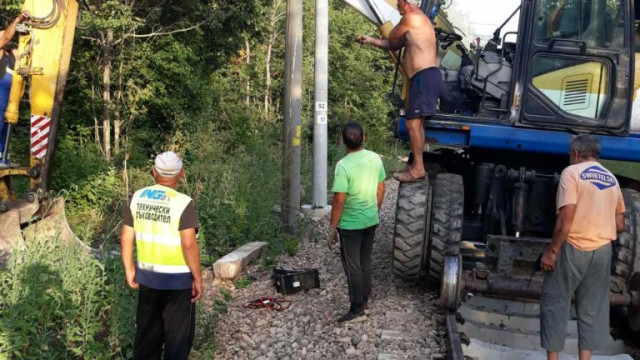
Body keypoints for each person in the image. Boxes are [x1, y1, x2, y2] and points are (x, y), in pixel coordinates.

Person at [539, 135, 625, 360]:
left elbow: (566, 218)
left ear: (576, 154)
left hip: (573, 247)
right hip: (602, 251)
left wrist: (552, 251)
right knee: (591, 309)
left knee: (556, 302)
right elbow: (620, 223)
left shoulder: (572, 173)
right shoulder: (611, 178)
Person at [121, 151, 202, 360]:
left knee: (147, 339)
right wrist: (198, 278)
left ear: (153, 172)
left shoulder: (138, 197)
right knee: (176, 342)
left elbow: (127, 236)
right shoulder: (183, 203)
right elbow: (189, 244)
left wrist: (130, 269)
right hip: (178, 283)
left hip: (147, 279)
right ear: (181, 174)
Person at [355, 0, 440, 182]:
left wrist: (390, 30)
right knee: (416, 124)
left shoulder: (411, 18)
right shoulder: (418, 20)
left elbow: (393, 37)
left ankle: (418, 169)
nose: (398, 10)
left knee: (412, 124)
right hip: (423, 78)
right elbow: (393, 45)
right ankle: (415, 165)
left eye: (398, 5)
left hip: (424, 78)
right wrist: (371, 40)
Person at [328, 122, 386, 324]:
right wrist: (375, 210)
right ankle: (365, 302)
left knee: (352, 266)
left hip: (350, 225)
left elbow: (339, 200)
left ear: (343, 142)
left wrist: (332, 228)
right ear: (364, 138)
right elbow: (380, 189)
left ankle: (357, 309)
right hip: (371, 220)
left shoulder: (343, 165)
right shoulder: (375, 159)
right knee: (365, 261)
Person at [0, 12, 29, 167]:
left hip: (9, 96)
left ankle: (4, 158)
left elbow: (27, 54)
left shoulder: (13, 54)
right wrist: (17, 19)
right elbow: (6, 37)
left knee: (6, 124)